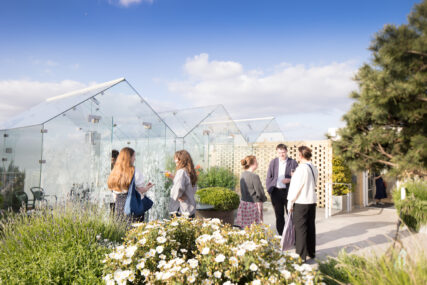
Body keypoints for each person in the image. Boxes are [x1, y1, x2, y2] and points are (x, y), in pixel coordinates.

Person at [287, 146, 318, 263]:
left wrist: (290, 203)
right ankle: (311, 252)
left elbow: (296, 188)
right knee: (310, 227)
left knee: (300, 230)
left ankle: (300, 257)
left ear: (300, 155)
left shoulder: (301, 169)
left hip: (301, 202)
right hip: (312, 201)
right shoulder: (313, 167)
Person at [107, 147, 154, 222]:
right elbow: (140, 190)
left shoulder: (115, 171)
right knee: (135, 230)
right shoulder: (134, 171)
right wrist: (147, 187)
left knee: (121, 229)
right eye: (134, 156)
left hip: (119, 206)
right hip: (132, 205)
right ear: (129, 157)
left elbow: (114, 191)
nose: (134, 159)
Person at [266, 144, 299, 235]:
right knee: (279, 216)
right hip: (276, 192)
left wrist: (290, 180)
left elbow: (299, 178)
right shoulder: (273, 162)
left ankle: (293, 237)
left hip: (289, 193)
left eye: (283, 152)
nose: (281, 154)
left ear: (286, 152)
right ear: (277, 152)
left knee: (291, 215)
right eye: (279, 152)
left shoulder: (293, 162)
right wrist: (270, 191)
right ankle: (282, 236)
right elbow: (269, 177)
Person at [235, 155, 267, 229]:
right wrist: (263, 199)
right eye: (256, 162)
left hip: (244, 203)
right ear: (253, 164)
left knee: (245, 226)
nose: (258, 163)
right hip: (254, 205)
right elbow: (260, 192)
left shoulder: (242, 174)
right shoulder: (254, 176)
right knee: (255, 227)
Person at [166, 150, 197, 218]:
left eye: (176, 159)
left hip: (181, 209)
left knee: (178, 228)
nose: (175, 161)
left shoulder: (181, 172)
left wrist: (176, 197)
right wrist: (173, 177)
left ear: (181, 160)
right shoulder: (191, 172)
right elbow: (192, 188)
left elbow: (178, 188)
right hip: (190, 209)